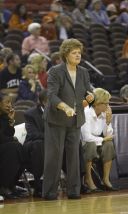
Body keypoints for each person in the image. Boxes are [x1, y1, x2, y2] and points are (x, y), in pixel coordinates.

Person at [42, 38, 92, 200]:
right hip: (56, 119)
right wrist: (65, 107)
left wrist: (90, 95)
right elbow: (51, 95)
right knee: (54, 156)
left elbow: (87, 89)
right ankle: (49, 192)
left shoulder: (83, 72)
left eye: (79, 53)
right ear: (65, 54)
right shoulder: (56, 71)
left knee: (74, 157)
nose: (78, 56)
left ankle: (74, 191)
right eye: (74, 53)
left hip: (75, 120)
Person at [81, 88, 116, 191]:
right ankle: (88, 178)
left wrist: (108, 122)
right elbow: (86, 137)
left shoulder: (104, 114)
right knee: (91, 144)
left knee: (109, 144)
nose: (108, 106)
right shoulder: (86, 113)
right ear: (97, 103)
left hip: (98, 142)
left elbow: (108, 134)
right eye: (106, 103)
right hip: (84, 144)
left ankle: (106, 179)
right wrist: (103, 139)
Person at [24, 89, 48, 197]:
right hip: (34, 145)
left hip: (53, 145)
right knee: (39, 145)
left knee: (73, 143)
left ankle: (78, 182)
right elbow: (33, 134)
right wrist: (53, 138)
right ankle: (39, 184)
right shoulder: (30, 114)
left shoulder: (59, 112)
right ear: (44, 102)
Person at [0, 92, 24, 199]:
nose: (10, 105)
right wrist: (11, 139)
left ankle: (11, 184)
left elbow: (9, 134)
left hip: (4, 147)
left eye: (10, 102)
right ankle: (4, 186)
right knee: (14, 148)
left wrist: (11, 121)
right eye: (7, 102)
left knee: (20, 149)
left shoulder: (5, 116)